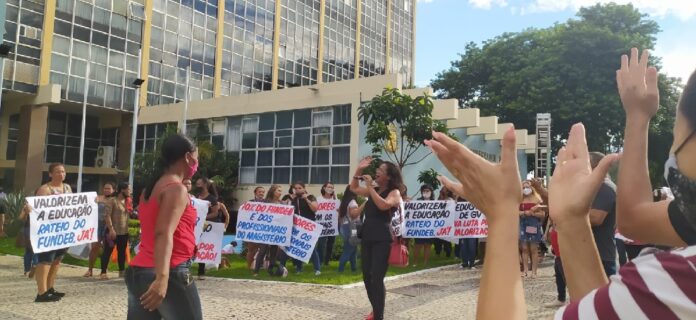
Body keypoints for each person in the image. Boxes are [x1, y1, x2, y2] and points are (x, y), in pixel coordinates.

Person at [126, 133, 202, 319]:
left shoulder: (150, 189)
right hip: (169, 269)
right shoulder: (176, 189)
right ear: (187, 157)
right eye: (196, 158)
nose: (197, 163)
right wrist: (162, 278)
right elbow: (162, 232)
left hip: (140, 270)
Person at [351, 157, 403, 320]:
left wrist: (370, 188)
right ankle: (376, 309)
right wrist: (358, 170)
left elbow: (383, 205)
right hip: (367, 236)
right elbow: (354, 188)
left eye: (380, 170)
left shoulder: (394, 192)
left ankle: (378, 316)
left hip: (382, 238)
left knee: (377, 277)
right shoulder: (373, 189)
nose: (376, 172)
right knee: (367, 276)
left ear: (388, 176)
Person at [32, 163, 72, 302]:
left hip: (63, 230)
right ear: (50, 174)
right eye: (57, 172)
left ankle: (50, 288)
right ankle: (41, 292)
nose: (61, 174)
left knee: (57, 260)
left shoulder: (67, 188)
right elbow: (38, 210)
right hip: (48, 231)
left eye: (63, 172)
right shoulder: (45, 189)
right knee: (45, 260)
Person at [587, 152, 618, 277]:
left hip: (601, 255)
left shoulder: (605, 187)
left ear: (596, 166)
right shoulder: (596, 187)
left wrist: (568, 213)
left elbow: (595, 218)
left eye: (586, 164)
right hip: (594, 253)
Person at [195, 177, 228, 280]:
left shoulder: (212, 198)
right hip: (197, 225)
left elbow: (215, 213)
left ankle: (201, 271)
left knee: (203, 247)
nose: (196, 184)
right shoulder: (196, 197)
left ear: (205, 184)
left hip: (208, 226)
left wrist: (203, 217)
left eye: (199, 182)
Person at [253, 184, 288, 277]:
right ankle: (256, 271)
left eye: (281, 191)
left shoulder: (282, 203)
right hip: (266, 230)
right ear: (273, 191)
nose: (280, 192)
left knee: (273, 251)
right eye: (278, 190)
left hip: (276, 231)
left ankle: (271, 270)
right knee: (263, 250)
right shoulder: (265, 202)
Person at [100, 182, 132, 279]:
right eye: (128, 189)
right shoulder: (112, 201)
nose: (130, 191)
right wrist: (111, 229)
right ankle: (103, 272)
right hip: (112, 232)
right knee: (107, 251)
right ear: (122, 190)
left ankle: (121, 271)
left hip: (123, 231)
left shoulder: (127, 201)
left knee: (122, 252)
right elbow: (107, 215)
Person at [288, 182, 321, 275]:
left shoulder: (310, 197)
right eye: (296, 188)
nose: (297, 190)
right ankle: (299, 268)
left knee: (311, 248)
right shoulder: (294, 200)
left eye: (299, 188)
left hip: (309, 226)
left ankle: (317, 269)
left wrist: (306, 199)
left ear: (304, 188)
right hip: (298, 227)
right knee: (299, 248)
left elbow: (315, 209)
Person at [84, 182, 115, 278]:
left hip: (108, 227)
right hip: (97, 225)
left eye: (109, 188)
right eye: (105, 188)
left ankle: (104, 271)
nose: (106, 190)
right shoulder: (97, 198)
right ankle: (90, 270)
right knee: (94, 248)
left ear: (113, 190)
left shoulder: (114, 200)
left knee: (107, 250)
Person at [518, 180, 544, 278]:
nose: (525, 189)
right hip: (523, 225)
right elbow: (515, 212)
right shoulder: (519, 199)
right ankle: (525, 271)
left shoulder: (537, 199)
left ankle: (534, 272)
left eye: (527, 187)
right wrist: (524, 213)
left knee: (533, 249)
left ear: (531, 188)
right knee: (524, 248)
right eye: (523, 187)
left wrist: (533, 213)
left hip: (533, 225)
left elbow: (542, 214)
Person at [337, 186, 362, 273]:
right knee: (349, 249)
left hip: (344, 227)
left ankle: (354, 268)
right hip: (353, 228)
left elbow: (339, 217)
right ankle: (340, 269)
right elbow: (353, 215)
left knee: (353, 249)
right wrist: (362, 206)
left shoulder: (343, 202)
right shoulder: (353, 202)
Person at [411, 184, 434, 267]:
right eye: (424, 191)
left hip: (430, 227)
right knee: (418, 245)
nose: (426, 192)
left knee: (428, 246)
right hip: (419, 227)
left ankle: (425, 262)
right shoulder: (418, 201)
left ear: (431, 192)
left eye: (427, 191)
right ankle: (415, 262)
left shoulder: (435, 203)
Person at [245, 186, 266, 269]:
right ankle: (249, 267)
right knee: (251, 249)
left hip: (264, 230)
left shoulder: (267, 203)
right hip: (252, 229)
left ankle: (260, 266)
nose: (261, 193)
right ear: (255, 193)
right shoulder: (249, 203)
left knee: (263, 249)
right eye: (259, 192)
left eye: (263, 192)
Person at [317, 182, 337, 266]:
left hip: (332, 225)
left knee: (330, 244)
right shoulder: (318, 199)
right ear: (324, 188)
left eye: (332, 187)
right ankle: (320, 261)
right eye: (328, 187)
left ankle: (327, 261)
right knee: (321, 244)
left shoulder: (335, 200)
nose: (330, 189)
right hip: (321, 225)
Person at [433, 187, 453, 258]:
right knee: (437, 239)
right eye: (442, 190)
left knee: (446, 239)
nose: (443, 191)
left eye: (445, 190)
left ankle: (448, 252)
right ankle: (437, 251)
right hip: (439, 222)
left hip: (447, 223)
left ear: (448, 192)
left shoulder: (450, 200)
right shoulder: (438, 200)